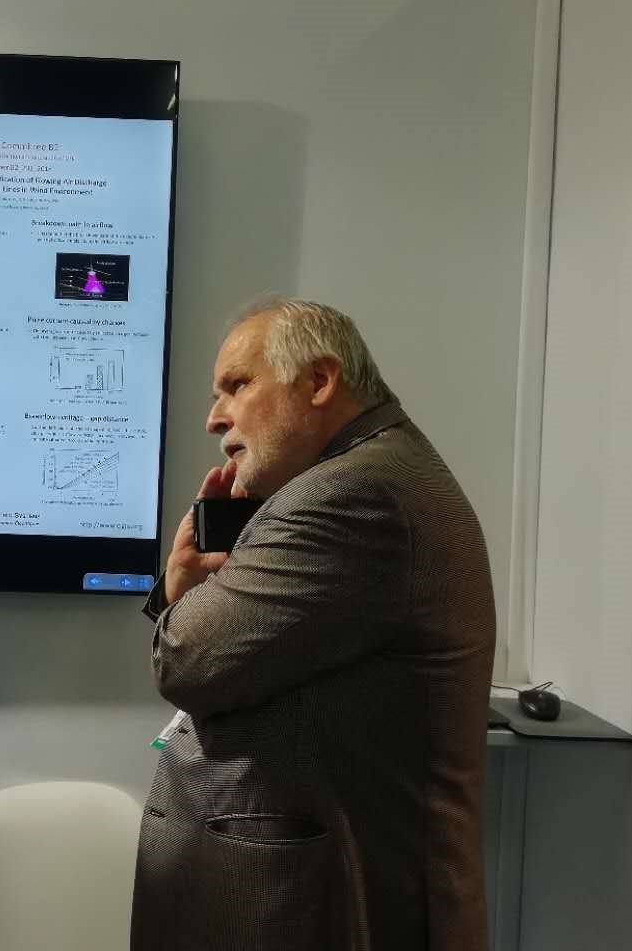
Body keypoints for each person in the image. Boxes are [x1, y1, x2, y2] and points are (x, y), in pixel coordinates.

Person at [131, 298, 495, 951]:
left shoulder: (345, 495)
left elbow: (187, 662)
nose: (215, 418)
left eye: (237, 385)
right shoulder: (372, 475)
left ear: (320, 381)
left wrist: (178, 594)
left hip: (326, 911)